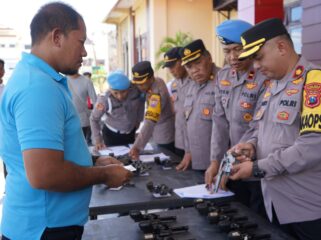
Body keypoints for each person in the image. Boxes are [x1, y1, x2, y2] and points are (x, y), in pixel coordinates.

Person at [0, 3, 132, 239]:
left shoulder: (37, 79)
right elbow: (45, 173)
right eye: (81, 42)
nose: (83, 53)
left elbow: (49, 153)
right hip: (44, 229)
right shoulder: (37, 88)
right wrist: (103, 174)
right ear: (57, 37)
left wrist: (95, 160)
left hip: (42, 225)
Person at [229, 18, 321, 239]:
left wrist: (258, 167)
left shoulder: (314, 83)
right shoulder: (273, 85)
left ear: (282, 47)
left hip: (306, 209)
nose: (256, 66)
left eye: (258, 57)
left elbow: (312, 148)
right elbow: (261, 128)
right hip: (274, 203)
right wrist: (251, 145)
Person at [204, 20, 267, 216]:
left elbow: (258, 127)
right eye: (227, 51)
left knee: (258, 218)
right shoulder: (223, 77)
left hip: (258, 164)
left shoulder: (264, 77)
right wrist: (215, 161)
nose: (232, 57)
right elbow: (220, 122)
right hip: (232, 164)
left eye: (238, 49)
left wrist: (227, 164)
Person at [176, 39, 220, 171]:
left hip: (219, 164)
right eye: (189, 67)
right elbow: (186, 121)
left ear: (209, 58)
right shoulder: (190, 86)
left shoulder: (224, 80)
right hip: (196, 161)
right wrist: (188, 151)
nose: (194, 70)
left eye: (198, 63)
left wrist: (220, 164)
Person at [129, 61, 175, 159]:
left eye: (142, 84)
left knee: (165, 160)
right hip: (154, 132)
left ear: (151, 78)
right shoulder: (152, 83)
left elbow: (150, 120)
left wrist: (137, 146)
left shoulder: (157, 91)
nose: (139, 87)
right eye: (137, 84)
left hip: (164, 133)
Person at [90, 71, 144, 148]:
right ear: (110, 89)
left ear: (129, 88)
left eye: (124, 92)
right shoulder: (104, 100)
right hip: (112, 135)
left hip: (131, 133)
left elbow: (141, 101)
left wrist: (139, 120)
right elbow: (93, 119)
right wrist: (98, 140)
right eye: (115, 93)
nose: (120, 96)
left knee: (130, 157)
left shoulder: (135, 91)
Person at [163, 47, 192, 158]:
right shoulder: (173, 84)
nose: (170, 70)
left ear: (183, 62)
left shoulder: (195, 81)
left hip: (195, 141)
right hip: (179, 140)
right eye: (168, 67)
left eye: (173, 66)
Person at [67, 70, 97, 145]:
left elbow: (95, 101)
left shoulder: (87, 81)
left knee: (81, 144)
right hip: (66, 120)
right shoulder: (62, 81)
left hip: (82, 120)